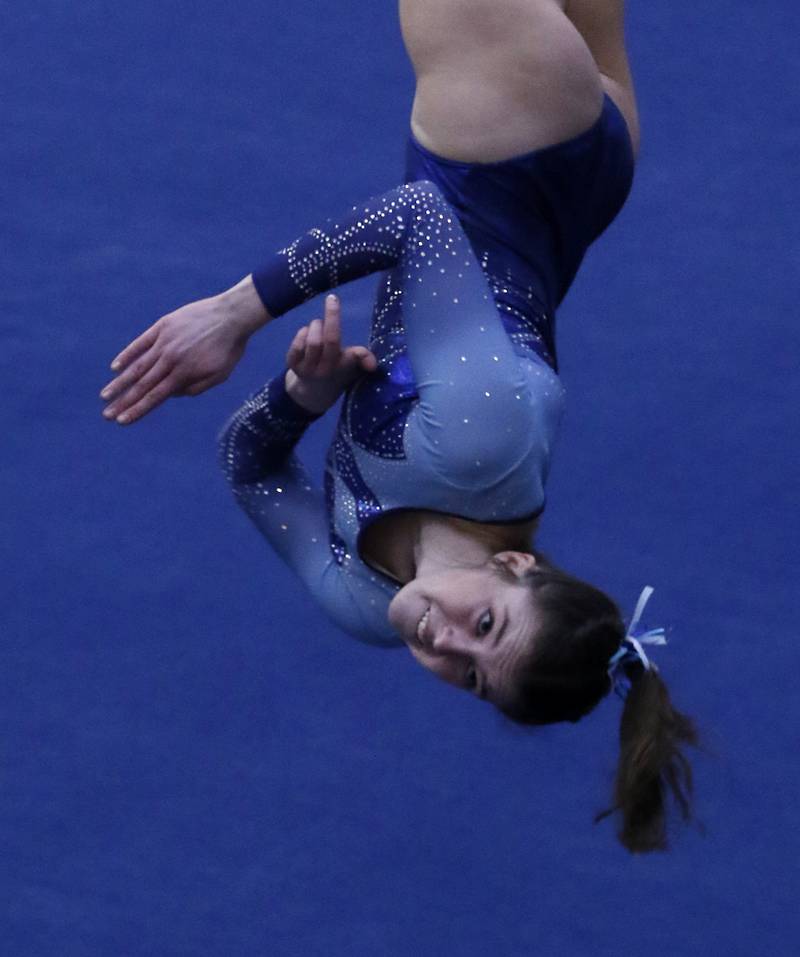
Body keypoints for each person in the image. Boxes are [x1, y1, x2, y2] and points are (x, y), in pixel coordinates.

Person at [99, 0, 700, 852]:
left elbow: (248, 466)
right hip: (514, 126)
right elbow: (418, 216)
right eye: (484, 626)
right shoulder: (481, 440)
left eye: (469, 679)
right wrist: (235, 314)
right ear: (519, 564)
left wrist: (300, 400)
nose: (442, 642)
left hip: (568, 193)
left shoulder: (363, 603)